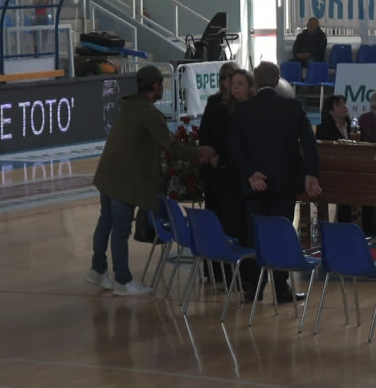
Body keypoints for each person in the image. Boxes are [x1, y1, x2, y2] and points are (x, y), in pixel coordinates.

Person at [88, 65, 215, 296]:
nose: (163, 88)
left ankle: (97, 269)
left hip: (107, 174)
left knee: (105, 222)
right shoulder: (149, 113)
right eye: (161, 84)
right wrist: (198, 154)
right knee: (120, 230)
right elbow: (171, 147)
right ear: (155, 85)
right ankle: (123, 280)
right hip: (124, 181)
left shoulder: (130, 107)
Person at [229, 61, 321, 303]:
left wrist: (251, 173)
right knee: (281, 234)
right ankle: (281, 288)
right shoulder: (293, 106)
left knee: (255, 235)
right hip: (284, 183)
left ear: (255, 81)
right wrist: (310, 173)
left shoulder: (243, 109)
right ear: (278, 79)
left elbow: (236, 148)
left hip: (254, 184)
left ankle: (254, 288)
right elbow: (309, 142)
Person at [200, 67, 256, 283]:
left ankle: (243, 272)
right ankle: (218, 271)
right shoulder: (218, 105)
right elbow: (210, 135)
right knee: (222, 221)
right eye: (227, 80)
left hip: (241, 173)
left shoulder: (251, 107)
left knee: (240, 223)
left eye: (236, 81)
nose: (230, 84)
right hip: (222, 172)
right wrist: (213, 152)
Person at [315, 94, 354, 224]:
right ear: (330, 111)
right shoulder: (323, 129)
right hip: (331, 170)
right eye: (339, 105)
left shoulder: (353, 126)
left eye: (344, 104)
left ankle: (347, 224)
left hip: (350, 169)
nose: (344, 107)